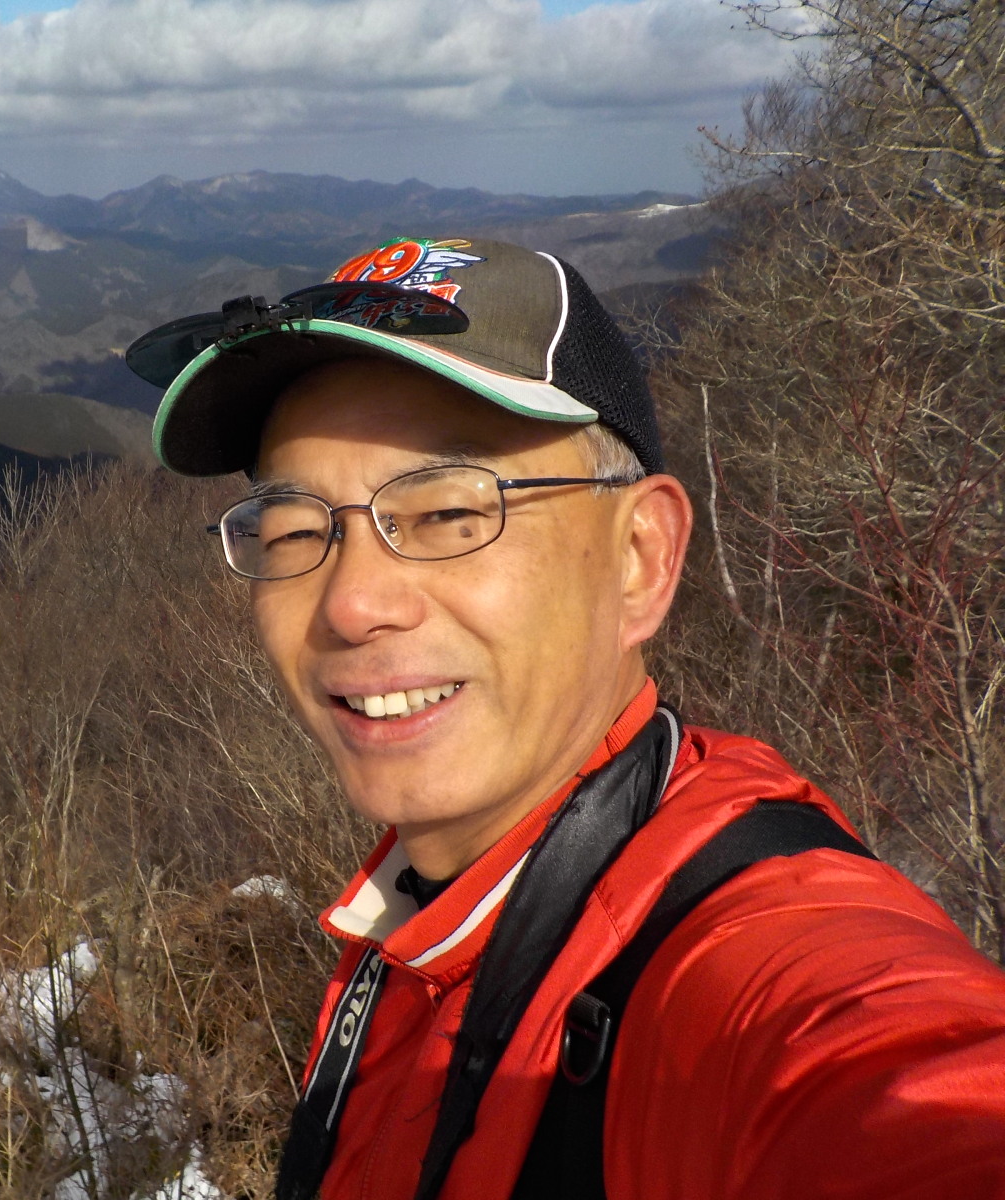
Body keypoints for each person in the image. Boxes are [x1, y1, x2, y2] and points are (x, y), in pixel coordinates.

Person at [125, 237, 1005, 1200]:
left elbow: (906, 1082)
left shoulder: (742, 963)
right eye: (296, 528)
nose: (351, 603)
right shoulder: (414, 928)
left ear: (640, 558)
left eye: (450, 513)